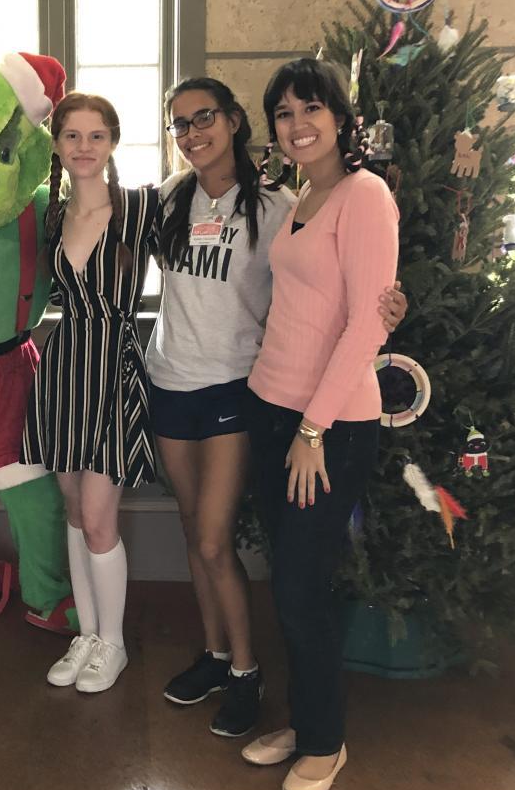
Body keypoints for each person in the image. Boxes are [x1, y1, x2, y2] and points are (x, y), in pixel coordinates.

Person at [148, 77, 406, 739]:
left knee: (215, 539)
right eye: (180, 124)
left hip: (237, 389)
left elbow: (337, 297)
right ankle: (215, 656)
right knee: (193, 533)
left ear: (235, 121)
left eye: (205, 117)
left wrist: (384, 310)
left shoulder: (281, 204)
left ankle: (247, 673)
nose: (193, 133)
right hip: (178, 382)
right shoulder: (170, 197)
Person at [239, 58, 400, 790]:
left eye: (312, 108)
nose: (298, 124)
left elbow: (368, 322)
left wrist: (313, 430)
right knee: (289, 581)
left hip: (326, 428)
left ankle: (326, 743)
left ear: (340, 117)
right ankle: (306, 722)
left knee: (302, 588)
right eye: (284, 113)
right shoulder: (303, 195)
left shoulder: (365, 195)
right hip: (271, 409)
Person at [23, 92, 159, 694]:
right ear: (56, 144)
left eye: (96, 135)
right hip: (63, 367)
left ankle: (114, 643)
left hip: (114, 367)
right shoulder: (51, 214)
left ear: (113, 141)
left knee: (101, 518)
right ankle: (87, 634)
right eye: (72, 135)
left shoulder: (140, 207)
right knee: (76, 514)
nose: (84, 146)